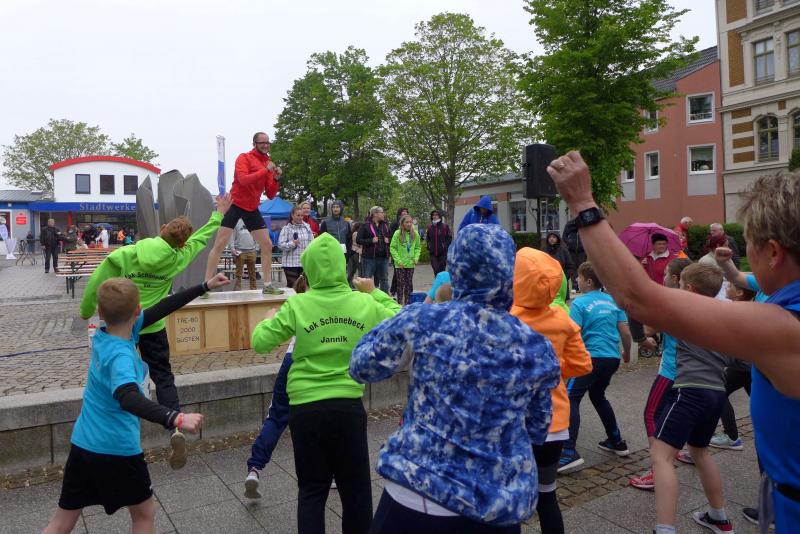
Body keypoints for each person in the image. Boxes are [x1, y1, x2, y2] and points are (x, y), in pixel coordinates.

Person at [546, 150, 800, 533]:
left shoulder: (784, 328)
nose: (745, 257)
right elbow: (742, 280)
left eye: (750, 245)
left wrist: (583, 204)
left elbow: (639, 298)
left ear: (775, 253)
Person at [350, 224, 560, 532]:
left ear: (456, 268)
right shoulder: (536, 346)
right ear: (507, 273)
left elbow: (361, 365)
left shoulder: (424, 319)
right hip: (497, 502)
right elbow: (539, 427)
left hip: (417, 490)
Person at [42, 274, 229, 534]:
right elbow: (128, 397)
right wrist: (176, 418)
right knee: (143, 515)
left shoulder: (105, 335)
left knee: (62, 522)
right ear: (137, 310)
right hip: (118, 450)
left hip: (83, 445)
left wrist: (204, 286)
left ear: (100, 313)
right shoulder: (120, 355)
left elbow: (163, 307)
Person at [251, 233, 401, 534]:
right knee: (356, 491)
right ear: (340, 267)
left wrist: (268, 319)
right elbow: (401, 320)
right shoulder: (363, 303)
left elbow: (260, 342)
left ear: (309, 269)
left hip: (305, 409)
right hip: (347, 406)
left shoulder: (298, 305)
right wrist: (374, 292)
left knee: (311, 490)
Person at [80, 194, 232, 470]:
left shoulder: (127, 254)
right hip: (153, 323)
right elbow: (202, 238)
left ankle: (114, 425)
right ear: (182, 243)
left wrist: (86, 309)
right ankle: (175, 427)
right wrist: (218, 214)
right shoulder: (180, 257)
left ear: (162, 229)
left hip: (122, 323)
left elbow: (97, 280)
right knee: (162, 376)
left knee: (116, 375)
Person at [647, 263, 735, 534]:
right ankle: (719, 517)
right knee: (700, 451)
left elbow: (647, 327)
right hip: (716, 393)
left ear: (690, 289)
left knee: (661, 456)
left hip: (689, 391)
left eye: (681, 285)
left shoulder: (683, 311)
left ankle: (664, 529)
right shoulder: (724, 315)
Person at [511, 248, 592, 534]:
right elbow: (582, 365)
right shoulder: (562, 318)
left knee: (511, 498)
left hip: (516, 425)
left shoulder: (507, 318)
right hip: (555, 425)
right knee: (547, 497)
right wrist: (554, 369)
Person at [559, 262, 632, 472]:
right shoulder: (613, 301)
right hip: (611, 358)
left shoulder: (580, 303)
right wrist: (626, 353)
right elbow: (625, 333)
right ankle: (616, 441)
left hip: (589, 358)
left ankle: (568, 451)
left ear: (589, 281)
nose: (577, 281)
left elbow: (572, 333)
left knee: (571, 398)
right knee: (598, 396)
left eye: (579, 278)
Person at [629, 258, 692, 491]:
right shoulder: (697, 301)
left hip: (670, 372)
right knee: (672, 416)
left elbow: (646, 328)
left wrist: (640, 335)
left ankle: (658, 469)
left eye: (666, 273)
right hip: (691, 373)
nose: (662, 277)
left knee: (651, 414)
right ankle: (680, 452)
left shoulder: (671, 304)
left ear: (676, 279)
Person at [245, 274, 309, 499]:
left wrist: (268, 319)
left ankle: (255, 468)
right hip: (320, 363)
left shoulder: (296, 303)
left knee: (277, 417)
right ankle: (329, 473)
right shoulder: (338, 300)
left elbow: (265, 339)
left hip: (293, 359)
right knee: (320, 419)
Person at [204, 132, 284, 295]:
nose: (265, 145)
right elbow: (243, 180)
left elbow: (270, 194)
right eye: (262, 142)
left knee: (267, 244)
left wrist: (276, 179)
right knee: (219, 244)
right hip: (235, 204)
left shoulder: (268, 164)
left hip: (252, 208)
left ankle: (267, 285)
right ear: (254, 144)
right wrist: (265, 170)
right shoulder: (244, 158)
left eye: (267, 142)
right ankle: (205, 286)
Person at [278, 205, 314, 289]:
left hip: (304, 263)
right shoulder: (286, 228)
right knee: (293, 288)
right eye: (298, 215)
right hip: (290, 264)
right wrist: (292, 243)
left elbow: (312, 244)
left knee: (305, 288)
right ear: (292, 215)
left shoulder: (307, 227)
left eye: (302, 215)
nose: (300, 217)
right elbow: (280, 245)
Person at [357, 206, 391, 293]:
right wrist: (371, 240)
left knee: (384, 279)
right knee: (366, 279)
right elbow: (358, 240)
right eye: (381, 212)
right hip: (369, 258)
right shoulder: (365, 225)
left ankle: (385, 298)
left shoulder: (386, 225)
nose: (383, 214)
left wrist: (389, 240)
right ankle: (366, 298)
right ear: (375, 214)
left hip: (383, 258)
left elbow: (391, 238)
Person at [390, 214, 421, 306]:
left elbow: (418, 247)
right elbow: (392, 248)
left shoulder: (415, 234)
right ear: (402, 223)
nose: (409, 224)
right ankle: (399, 304)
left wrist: (416, 258)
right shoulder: (397, 233)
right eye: (407, 222)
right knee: (400, 285)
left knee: (408, 285)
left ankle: (407, 304)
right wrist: (398, 261)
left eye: (410, 222)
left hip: (411, 264)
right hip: (400, 265)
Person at [228, 219, 259, 291]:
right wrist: (232, 248)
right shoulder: (235, 222)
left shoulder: (252, 221)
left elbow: (257, 235)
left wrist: (257, 248)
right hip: (239, 251)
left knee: (253, 273)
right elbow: (231, 236)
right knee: (238, 274)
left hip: (252, 250)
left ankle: (253, 290)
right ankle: (237, 290)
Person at [545, 232, 575, 298]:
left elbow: (570, 266)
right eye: (550, 237)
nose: (551, 239)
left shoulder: (563, 250)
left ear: (558, 239)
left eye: (554, 237)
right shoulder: (544, 250)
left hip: (561, 281)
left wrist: (564, 277)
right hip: (548, 281)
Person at [389, 208, 409, 297]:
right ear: (399, 214)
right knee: (397, 271)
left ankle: (403, 289)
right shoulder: (394, 224)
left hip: (407, 252)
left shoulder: (409, 224)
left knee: (406, 272)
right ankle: (394, 290)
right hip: (397, 251)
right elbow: (391, 236)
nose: (404, 214)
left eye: (406, 213)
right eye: (402, 213)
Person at [425, 209, 452, 275]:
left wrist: (445, 246)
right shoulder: (430, 227)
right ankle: (438, 281)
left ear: (439, 216)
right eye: (433, 215)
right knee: (436, 270)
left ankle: (441, 282)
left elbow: (449, 238)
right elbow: (428, 238)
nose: (434, 216)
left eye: (436, 215)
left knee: (442, 271)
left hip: (442, 254)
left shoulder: (445, 226)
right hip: (433, 254)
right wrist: (429, 246)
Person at [347, 222, 362, 287]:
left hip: (353, 252)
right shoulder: (356, 233)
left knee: (352, 270)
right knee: (359, 269)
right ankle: (359, 284)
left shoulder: (353, 233)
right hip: (356, 252)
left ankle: (349, 283)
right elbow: (357, 243)